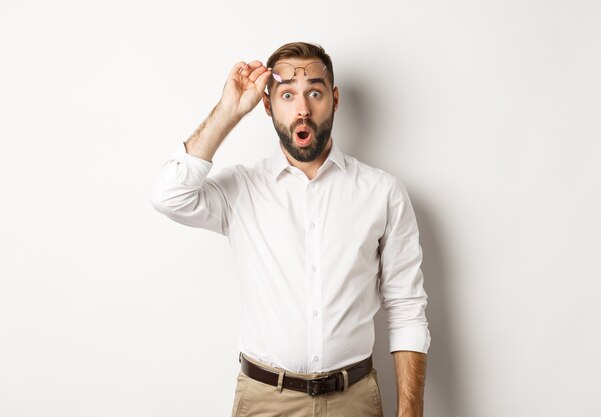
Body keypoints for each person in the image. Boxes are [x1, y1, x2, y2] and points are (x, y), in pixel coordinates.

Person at [151, 42, 430, 417]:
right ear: (267, 105)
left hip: (355, 400)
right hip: (265, 400)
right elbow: (169, 196)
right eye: (287, 95)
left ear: (334, 99)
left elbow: (407, 308)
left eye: (314, 92)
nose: (302, 109)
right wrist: (228, 111)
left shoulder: (382, 192)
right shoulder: (241, 189)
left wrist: (410, 414)